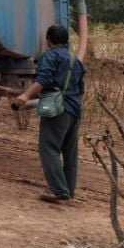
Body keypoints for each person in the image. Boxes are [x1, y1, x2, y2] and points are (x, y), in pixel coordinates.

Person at [15, 25, 87, 203]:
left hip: (57, 109)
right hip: (74, 110)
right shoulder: (74, 59)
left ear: (49, 40)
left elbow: (43, 79)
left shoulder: (50, 56)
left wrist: (25, 95)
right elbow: (81, 90)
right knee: (70, 153)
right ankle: (68, 191)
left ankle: (58, 191)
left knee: (49, 149)